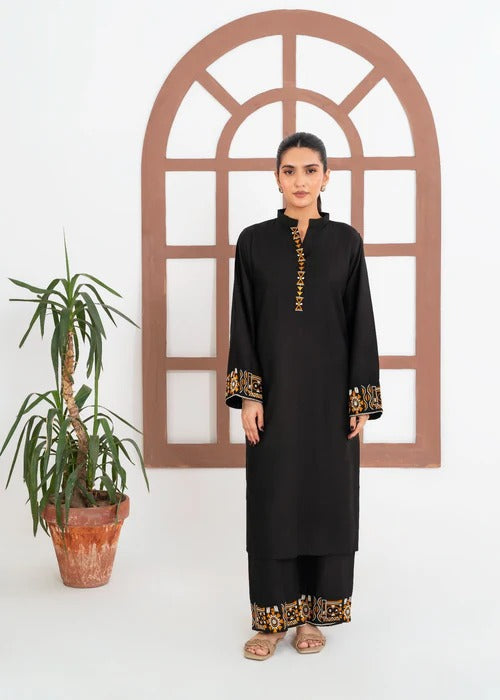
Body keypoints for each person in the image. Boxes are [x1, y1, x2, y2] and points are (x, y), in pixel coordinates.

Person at [225, 132, 383, 660]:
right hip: (273, 395)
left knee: (326, 499)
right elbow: (244, 322)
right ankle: (271, 619)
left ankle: (312, 617)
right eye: (289, 171)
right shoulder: (253, 242)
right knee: (273, 498)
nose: (300, 181)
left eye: (310, 170)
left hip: (330, 400)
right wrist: (250, 395)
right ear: (276, 177)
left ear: (326, 177)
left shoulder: (346, 242)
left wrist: (360, 398)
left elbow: (361, 322)